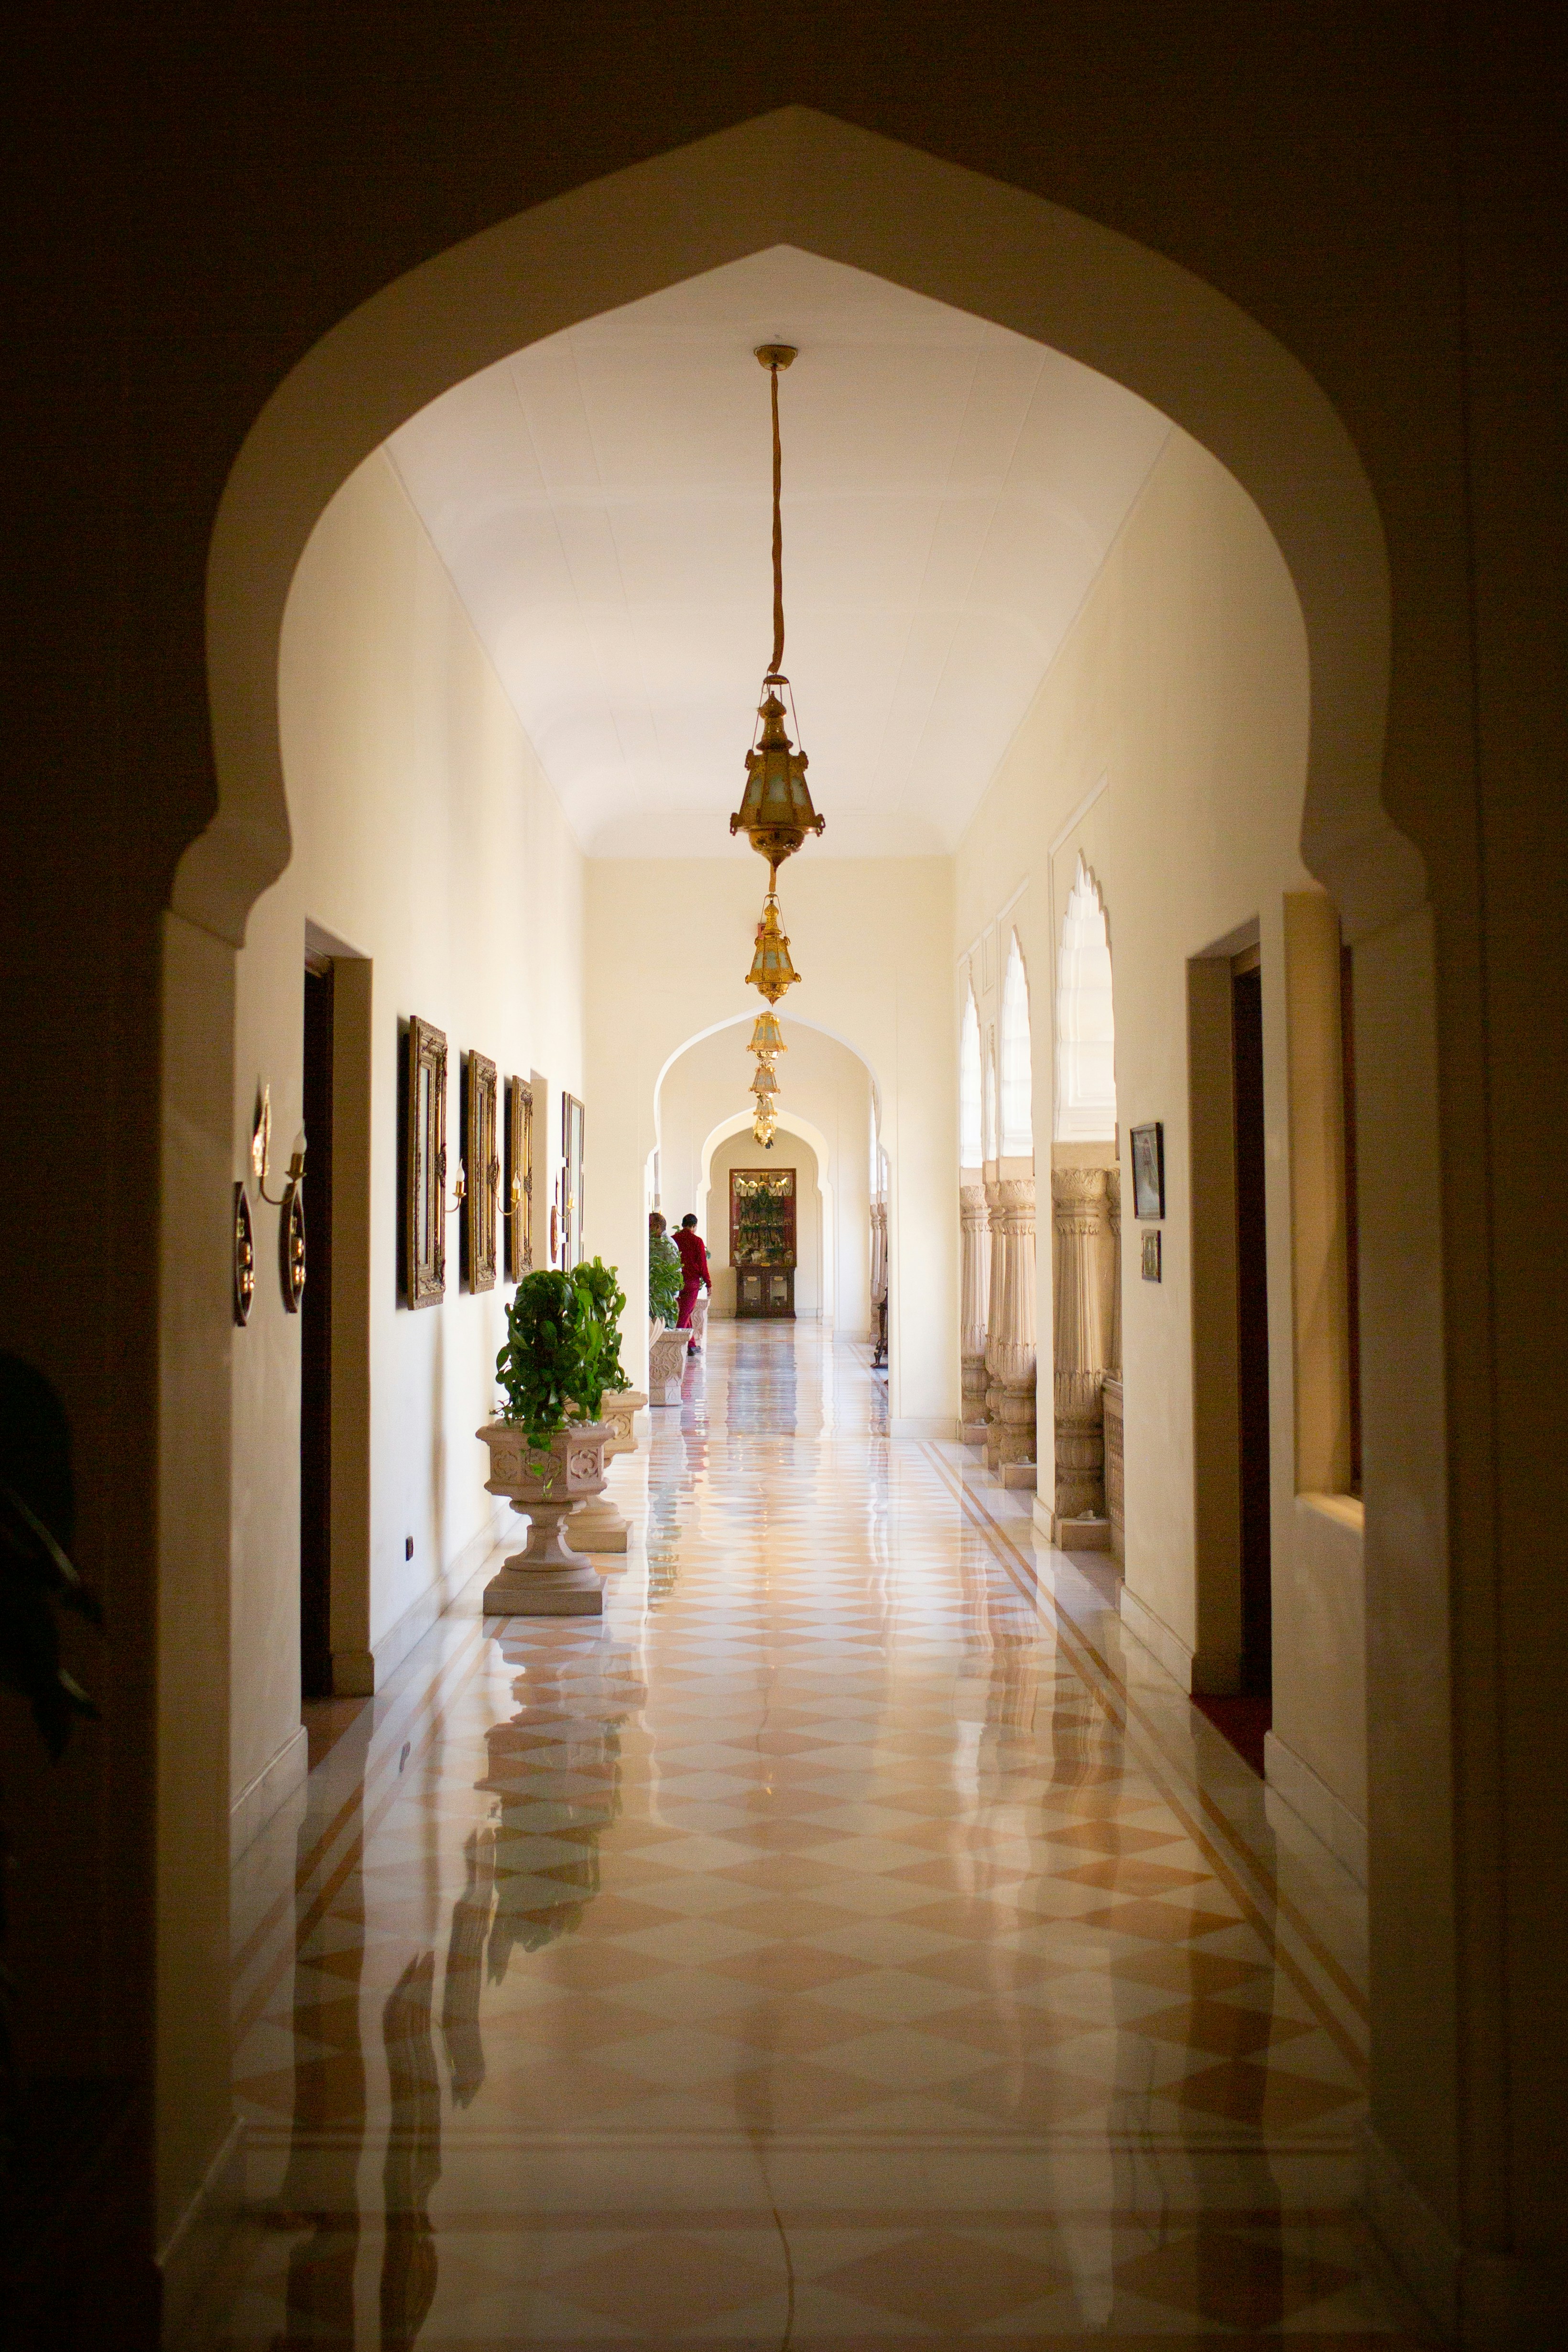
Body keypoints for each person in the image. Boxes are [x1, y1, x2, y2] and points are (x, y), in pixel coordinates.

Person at [674, 1213, 710, 1351]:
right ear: (694, 1226)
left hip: (677, 1282)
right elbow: (702, 1265)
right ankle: (678, 1347)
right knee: (684, 1315)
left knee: (685, 1312)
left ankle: (691, 1345)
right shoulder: (697, 1241)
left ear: (683, 1225)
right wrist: (709, 1283)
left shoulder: (674, 1240)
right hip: (692, 1283)